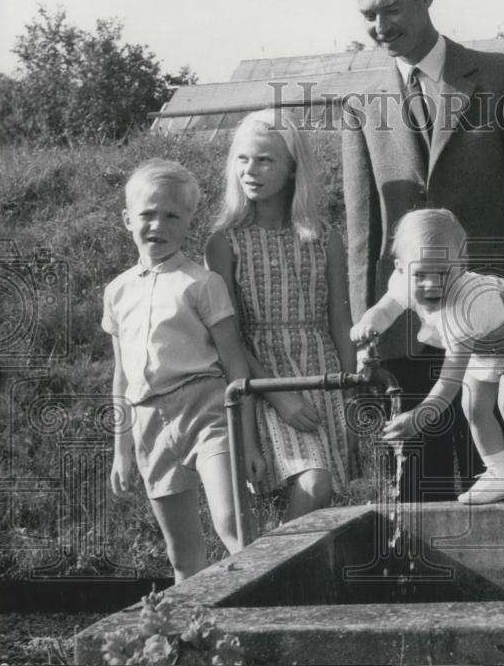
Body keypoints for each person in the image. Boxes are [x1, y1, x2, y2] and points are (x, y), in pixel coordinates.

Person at [343, 0, 504, 502]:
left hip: (496, 317)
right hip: (411, 329)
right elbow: (362, 233)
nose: (380, 27)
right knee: (421, 495)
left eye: (391, 9)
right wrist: (368, 332)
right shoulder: (361, 103)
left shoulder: (503, 78)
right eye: (368, 16)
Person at [105, 159, 252, 581]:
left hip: (206, 413)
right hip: (149, 423)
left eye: (172, 215)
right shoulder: (117, 291)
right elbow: (121, 377)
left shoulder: (201, 283)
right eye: (148, 214)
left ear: (189, 221)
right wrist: (122, 450)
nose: (158, 225)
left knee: (232, 524)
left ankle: (273, 613)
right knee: (182, 555)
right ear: (127, 219)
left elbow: (234, 360)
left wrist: (248, 440)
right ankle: (194, 638)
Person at [206, 109, 354, 522]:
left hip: (323, 374)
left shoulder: (324, 236)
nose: (250, 171)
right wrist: (278, 395)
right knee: (315, 481)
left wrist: (351, 389)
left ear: (292, 170)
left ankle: (288, 567)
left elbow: (340, 321)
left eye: (265, 160)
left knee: (327, 498)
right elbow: (230, 340)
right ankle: (273, 573)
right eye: (243, 159)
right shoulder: (224, 242)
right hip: (262, 379)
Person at [351, 209, 504, 513]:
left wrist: (418, 417)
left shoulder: (466, 304)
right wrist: (369, 326)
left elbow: (448, 382)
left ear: (462, 266)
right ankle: (500, 472)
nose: (432, 285)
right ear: (401, 269)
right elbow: (385, 309)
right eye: (421, 275)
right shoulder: (406, 280)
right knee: (473, 407)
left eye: (443, 274)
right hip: (482, 345)